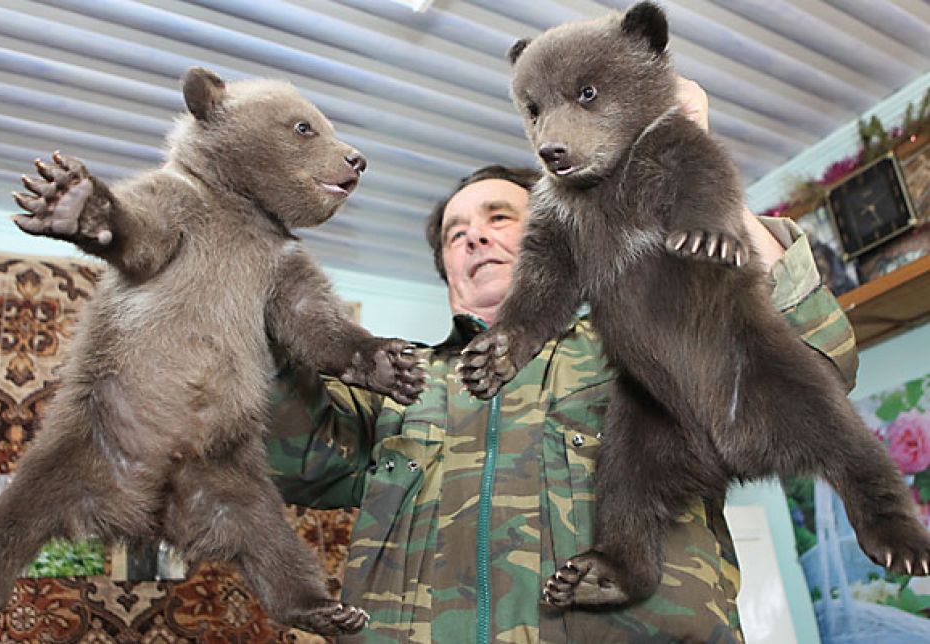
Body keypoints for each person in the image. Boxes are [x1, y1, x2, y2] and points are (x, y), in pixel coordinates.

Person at [265, 80, 858, 643]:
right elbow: (291, 454)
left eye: (499, 217)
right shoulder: (396, 384)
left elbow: (814, 362)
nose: (474, 238)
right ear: (447, 271)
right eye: (455, 234)